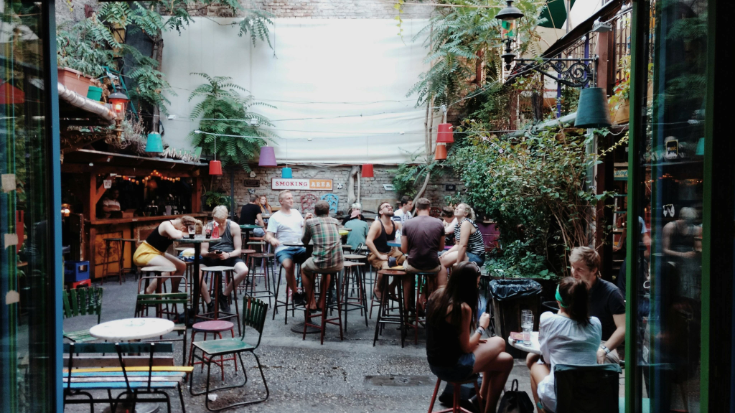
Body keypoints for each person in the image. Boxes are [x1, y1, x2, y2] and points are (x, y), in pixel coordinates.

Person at [426, 262, 513, 412]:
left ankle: (481, 400)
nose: (477, 288)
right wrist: (481, 327)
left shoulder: (438, 295)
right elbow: (466, 348)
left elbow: (450, 338)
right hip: (453, 366)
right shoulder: (461, 308)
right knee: (499, 342)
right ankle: (484, 404)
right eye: (477, 284)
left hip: (436, 363)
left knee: (506, 360)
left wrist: (477, 340)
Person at [526, 277, 602, 413]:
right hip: (590, 399)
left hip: (559, 400)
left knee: (532, 361)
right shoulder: (595, 324)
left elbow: (547, 358)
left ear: (558, 301)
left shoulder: (548, 320)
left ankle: (541, 409)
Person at [570, 246, 626, 364]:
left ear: (594, 270)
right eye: (572, 267)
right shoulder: (571, 289)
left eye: (579, 269)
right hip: (575, 342)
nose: (574, 273)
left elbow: (623, 328)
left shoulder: (611, 292)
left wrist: (604, 350)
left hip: (602, 343)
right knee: (533, 358)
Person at [265, 190, 313, 306]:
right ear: (281, 201)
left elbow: (303, 228)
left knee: (309, 264)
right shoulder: (275, 217)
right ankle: (296, 294)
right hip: (284, 248)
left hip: (300, 247)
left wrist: (306, 220)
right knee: (288, 265)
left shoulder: (296, 212)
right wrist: (272, 240)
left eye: (291, 198)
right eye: (288, 198)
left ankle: (308, 294)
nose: (291, 200)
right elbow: (268, 235)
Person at [200, 206, 249, 313]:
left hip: (229, 256)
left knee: (244, 270)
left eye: (222, 222)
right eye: (217, 222)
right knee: (197, 272)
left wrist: (228, 255)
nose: (220, 225)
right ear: (213, 217)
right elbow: (203, 252)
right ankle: (209, 303)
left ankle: (224, 295)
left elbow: (238, 250)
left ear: (227, 217)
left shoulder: (234, 226)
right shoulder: (208, 227)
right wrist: (210, 254)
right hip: (212, 257)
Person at [132, 216, 194, 295]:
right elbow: (177, 235)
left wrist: (179, 232)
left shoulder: (174, 227)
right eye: (185, 231)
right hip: (145, 253)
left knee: (182, 265)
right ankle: (148, 291)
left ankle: (174, 293)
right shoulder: (166, 225)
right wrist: (182, 233)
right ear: (182, 227)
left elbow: (177, 234)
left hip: (158, 253)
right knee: (170, 268)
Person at [301, 201, 344, 312]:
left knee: (303, 269)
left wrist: (305, 224)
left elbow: (304, 241)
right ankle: (321, 301)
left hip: (320, 262)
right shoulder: (335, 221)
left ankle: (311, 302)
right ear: (328, 211)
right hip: (338, 264)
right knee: (327, 269)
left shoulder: (310, 222)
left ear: (314, 212)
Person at [402, 198, 447, 296]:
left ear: (417, 209)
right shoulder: (439, 223)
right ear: (429, 209)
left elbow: (404, 249)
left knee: (406, 271)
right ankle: (427, 299)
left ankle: (407, 306)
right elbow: (440, 248)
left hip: (413, 264)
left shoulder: (407, 223)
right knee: (434, 272)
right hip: (432, 265)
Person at [366, 201, 405, 300]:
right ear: (380, 211)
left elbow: (404, 235)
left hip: (390, 253)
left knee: (408, 263)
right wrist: (379, 256)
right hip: (375, 254)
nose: (390, 207)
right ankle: (378, 288)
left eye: (391, 206)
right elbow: (368, 241)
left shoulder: (395, 224)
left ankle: (392, 286)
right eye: (386, 206)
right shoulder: (377, 224)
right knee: (386, 266)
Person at [440, 203, 485, 269]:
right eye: (457, 207)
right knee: (442, 259)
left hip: (476, 256)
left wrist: (458, 263)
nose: (457, 208)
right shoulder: (457, 225)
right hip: (466, 253)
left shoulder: (466, 223)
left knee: (442, 262)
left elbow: (463, 245)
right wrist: (447, 253)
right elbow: (457, 245)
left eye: (460, 208)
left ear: (465, 213)